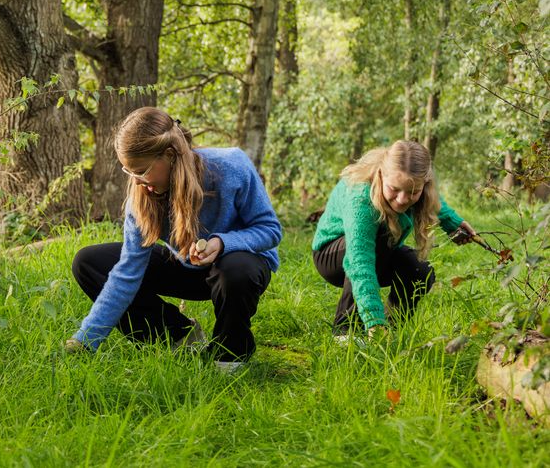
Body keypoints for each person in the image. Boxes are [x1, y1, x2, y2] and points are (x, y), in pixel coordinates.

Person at [66, 107, 282, 372]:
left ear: (169, 155)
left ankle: (229, 356)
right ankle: (177, 335)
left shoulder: (230, 166)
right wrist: (85, 339)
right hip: (187, 268)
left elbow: (270, 229)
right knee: (89, 261)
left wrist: (222, 243)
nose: (137, 181)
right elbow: (128, 272)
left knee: (235, 270)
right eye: (129, 172)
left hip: (238, 269)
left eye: (142, 170)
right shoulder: (142, 194)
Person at [312, 140, 476, 338]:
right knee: (382, 237)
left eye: (413, 192)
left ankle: (391, 331)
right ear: (381, 175)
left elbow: (432, 201)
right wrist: (373, 320)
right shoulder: (361, 197)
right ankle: (346, 331)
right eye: (394, 189)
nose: (402, 199)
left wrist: (453, 224)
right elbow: (359, 262)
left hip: (378, 251)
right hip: (332, 256)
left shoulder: (417, 188)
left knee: (420, 270)